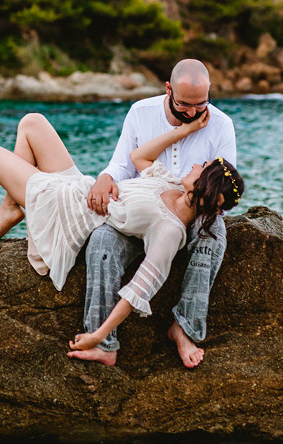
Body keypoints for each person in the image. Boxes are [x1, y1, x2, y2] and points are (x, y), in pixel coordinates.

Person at [0, 110, 244, 359]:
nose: (196, 163)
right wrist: (183, 131)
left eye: (203, 166)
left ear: (204, 186)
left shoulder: (169, 231)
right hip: (82, 188)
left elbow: (138, 292)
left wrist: (101, 338)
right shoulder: (170, 183)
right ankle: (12, 206)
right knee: (32, 123)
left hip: (70, 212)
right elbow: (137, 156)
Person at [74, 59, 236, 368]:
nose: (192, 112)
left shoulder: (221, 124)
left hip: (187, 219)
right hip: (141, 210)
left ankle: (185, 327)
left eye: (200, 104)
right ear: (168, 89)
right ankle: (102, 341)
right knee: (101, 241)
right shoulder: (140, 112)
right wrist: (105, 178)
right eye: (184, 104)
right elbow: (123, 163)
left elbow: (221, 186)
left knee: (214, 231)